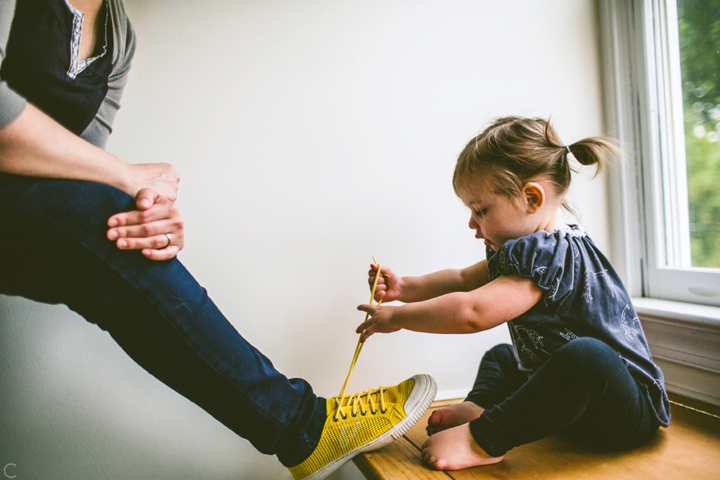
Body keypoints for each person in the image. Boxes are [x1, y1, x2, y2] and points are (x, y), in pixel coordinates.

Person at [0, 1, 436, 479]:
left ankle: (303, 429)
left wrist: (147, 214)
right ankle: (303, 428)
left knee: (118, 229)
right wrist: (125, 178)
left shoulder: (117, 36)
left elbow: (73, 177)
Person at [356, 116, 670, 471]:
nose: (472, 224)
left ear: (531, 198)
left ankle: (486, 438)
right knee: (503, 357)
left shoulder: (549, 255)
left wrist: (398, 317)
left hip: (622, 413)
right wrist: (406, 288)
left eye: (480, 210)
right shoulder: (523, 249)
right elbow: (462, 279)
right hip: (570, 408)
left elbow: (473, 311)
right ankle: (482, 406)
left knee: (587, 357)